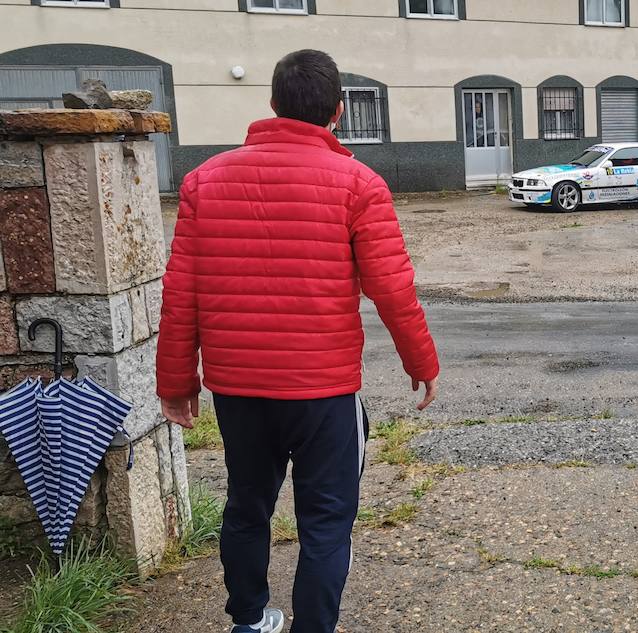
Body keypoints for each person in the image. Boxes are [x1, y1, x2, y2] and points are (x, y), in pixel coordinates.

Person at [156, 49, 440, 633]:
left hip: (240, 392)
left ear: (272, 105)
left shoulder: (202, 182)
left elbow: (180, 292)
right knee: (327, 522)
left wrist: (176, 385)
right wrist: (421, 361)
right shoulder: (360, 183)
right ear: (338, 112)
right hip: (324, 393)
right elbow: (393, 289)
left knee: (246, 507)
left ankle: (249, 620)